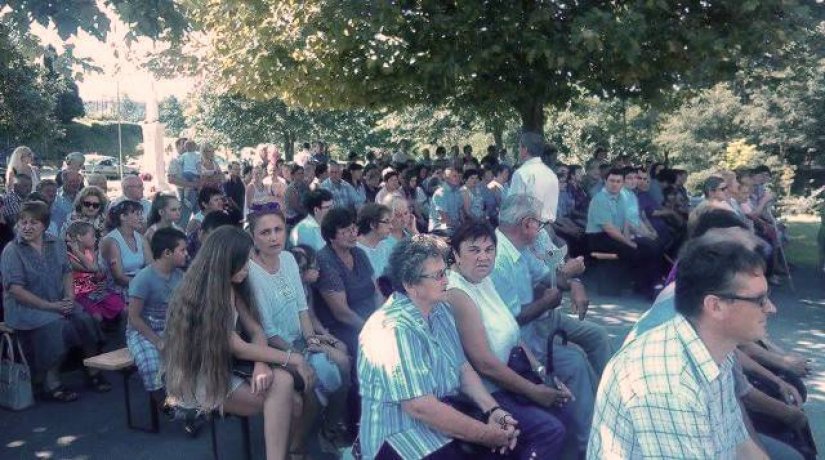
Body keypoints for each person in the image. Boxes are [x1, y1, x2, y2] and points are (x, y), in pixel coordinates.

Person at [587, 238, 773, 459]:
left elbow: (738, 443)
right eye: (759, 300)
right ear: (716, 306)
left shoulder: (716, 349)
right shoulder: (667, 384)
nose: (771, 308)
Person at [357, 235, 519, 459]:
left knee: (510, 439)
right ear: (410, 285)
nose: (447, 280)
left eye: (446, 271)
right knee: (493, 447)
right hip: (399, 439)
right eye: (439, 275)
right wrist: (486, 434)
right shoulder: (393, 330)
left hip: (440, 421)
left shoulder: (439, 309)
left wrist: (493, 411)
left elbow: (463, 369)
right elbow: (420, 407)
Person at [162, 226, 301, 460]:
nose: (248, 268)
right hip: (203, 377)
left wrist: (261, 363)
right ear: (226, 261)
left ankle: (292, 454)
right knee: (288, 391)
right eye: (244, 262)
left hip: (227, 364)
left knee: (292, 397)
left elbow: (256, 330)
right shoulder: (203, 295)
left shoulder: (230, 286)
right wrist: (292, 358)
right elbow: (236, 346)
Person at [446, 222, 569, 458]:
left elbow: (514, 335)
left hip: (511, 376)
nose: (483, 257)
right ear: (456, 255)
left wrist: (543, 374)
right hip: (483, 392)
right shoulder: (457, 293)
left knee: (562, 408)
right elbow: (484, 363)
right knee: (549, 430)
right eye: (474, 250)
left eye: (489, 249)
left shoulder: (484, 280)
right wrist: (534, 391)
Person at [491, 194, 601, 454]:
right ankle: (589, 445)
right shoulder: (498, 258)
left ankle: (607, 405)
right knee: (575, 362)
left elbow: (553, 273)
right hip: (522, 342)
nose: (542, 229)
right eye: (539, 224)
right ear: (527, 223)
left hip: (542, 324)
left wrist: (575, 283)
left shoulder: (523, 246)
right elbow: (508, 323)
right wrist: (547, 301)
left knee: (594, 339)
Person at [246, 207, 349, 456]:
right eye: (265, 232)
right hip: (273, 350)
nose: (273, 237)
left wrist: (313, 340)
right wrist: (300, 352)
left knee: (343, 359)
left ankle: (329, 428)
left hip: (300, 339)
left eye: (278, 230)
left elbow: (302, 308)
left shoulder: (290, 260)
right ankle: (296, 446)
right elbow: (268, 332)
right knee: (309, 387)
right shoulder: (250, 272)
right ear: (253, 236)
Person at [2, 201, 106, 403]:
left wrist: (70, 297)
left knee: (84, 318)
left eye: (34, 223)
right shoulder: (12, 251)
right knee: (56, 325)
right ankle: (51, 381)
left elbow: (67, 272)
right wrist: (51, 307)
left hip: (58, 301)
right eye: (23, 222)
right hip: (25, 308)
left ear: (45, 225)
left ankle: (93, 371)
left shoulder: (55, 243)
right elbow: (16, 290)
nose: (27, 227)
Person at [126, 227, 187, 405]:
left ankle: (188, 403)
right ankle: (168, 408)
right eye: (182, 250)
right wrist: (157, 341)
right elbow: (134, 318)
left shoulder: (180, 276)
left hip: (169, 328)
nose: (186, 254)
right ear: (167, 253)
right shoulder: (143, 279)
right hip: (143, 332)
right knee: (152, 367)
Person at [586, 168, 662, 297]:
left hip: (615, 236)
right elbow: (609, 229)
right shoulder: (600, 199)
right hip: (598, 238)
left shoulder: (621, 198)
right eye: (612, 181)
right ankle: (649, 288)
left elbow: (626, 223)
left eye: (618, 181)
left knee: (649, 246)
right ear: (605, 181)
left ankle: (649, 286)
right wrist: (629, 243)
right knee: (640, 249)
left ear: (621, 183)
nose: (615, 184)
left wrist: (630, 239)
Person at [314, 208, 377, 354]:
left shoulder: (359, 253)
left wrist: (380, 318)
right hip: (344, 326)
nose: (353, 234)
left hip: (371, 318)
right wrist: (371, 329)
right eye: (346, 231)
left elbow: (376, 292)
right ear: (331, 237)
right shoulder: (325, 261)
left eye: (354, 228)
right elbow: (342, 313)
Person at [66, 221, 126, 323]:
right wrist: (76, 251)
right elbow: (92, 268)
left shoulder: (89, 252)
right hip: (79, 294)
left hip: (94, 291)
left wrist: (101, 280)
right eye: (93, 235)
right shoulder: (68, 256)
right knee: (97, 317)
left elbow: (97, 274)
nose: (95, 238)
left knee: (124, 308)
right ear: (80, 237)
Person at [99, 200, 152, 297]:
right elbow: (119, 277)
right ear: (123, 217)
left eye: (141, 214)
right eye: (137, 214)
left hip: (139, 287)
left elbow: (151, 267)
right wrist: (144, 286)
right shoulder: (111, 241)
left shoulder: (141, 238)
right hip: (116, 292)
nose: (141, 218)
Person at [508, 132, 558, 223]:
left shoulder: (521, 173)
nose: (518, 150)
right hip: (548, 229)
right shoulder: (551, 174)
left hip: (528, 229)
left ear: (525, 149)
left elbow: (513, 207)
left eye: (519, 147)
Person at [356, 203, 396, 281]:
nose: (391, 226)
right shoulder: (355, 251)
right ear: (373, 225)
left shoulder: (387, 243)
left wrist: (414, 232)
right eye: (386, 222)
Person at [428, 166, 463, 234]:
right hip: (440, 229)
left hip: (454, 226)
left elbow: (461, 211)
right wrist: (460, 228)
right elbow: (445, 219)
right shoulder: (440, 194)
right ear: (447, 179)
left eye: (458, 176)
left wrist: (465, 225)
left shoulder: (457, 191)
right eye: (454, 176)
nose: (458, 178)